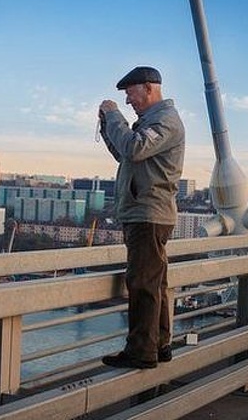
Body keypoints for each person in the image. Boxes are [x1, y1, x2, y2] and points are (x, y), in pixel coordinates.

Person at [97, 66, 185, 369]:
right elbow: (125, 153)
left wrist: (114, 117)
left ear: (149, 88)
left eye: (130, 94)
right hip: (144, 212)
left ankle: (141, 351)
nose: (128, 102)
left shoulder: (165, 121)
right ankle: (159, 345)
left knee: (142, 283)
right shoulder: (151, 121)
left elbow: (133, 148)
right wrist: (108, 124)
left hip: (148, 214)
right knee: (154, 282)